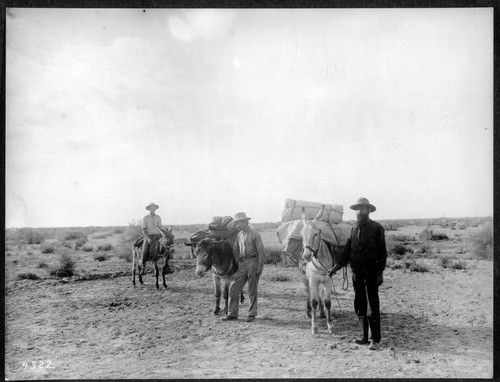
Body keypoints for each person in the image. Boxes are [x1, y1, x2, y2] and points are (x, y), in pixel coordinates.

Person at [328, 197, 387, 350]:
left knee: (371, 305)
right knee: (359, 304)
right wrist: (336, 268)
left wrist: (380, 273)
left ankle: (375, 339)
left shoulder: (377, 228)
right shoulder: (353, 229)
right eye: (358, 209)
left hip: (372, 273)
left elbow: (382, 253)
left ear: (368, 210)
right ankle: (364, 337)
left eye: (363, 208)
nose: (360, 211)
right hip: (357, 273)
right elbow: (347, 251)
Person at [221, 212, 266, 323]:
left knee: (252, 289)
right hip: (243, 264)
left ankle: (252, 313)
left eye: (239, 222)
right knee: (234, 288)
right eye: (236, 223)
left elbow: (261, 252)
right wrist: (238, 261)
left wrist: (260, 267)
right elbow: (235, 249)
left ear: (246, 222)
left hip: (253, 263)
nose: (237, 225)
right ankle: (232, 314)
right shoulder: (239, 235)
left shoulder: (255, 234)